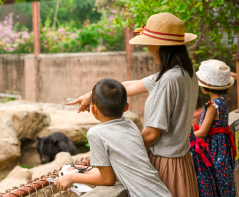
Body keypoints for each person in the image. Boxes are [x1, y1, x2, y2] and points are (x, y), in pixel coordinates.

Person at [66, 12, 200, 196]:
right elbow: (131, 85)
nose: (147, 47)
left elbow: (152, 134)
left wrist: (119, 159)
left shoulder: (169, 80)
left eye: (148, 43)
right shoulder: (185, 72)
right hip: (182, 161)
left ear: (159, 45)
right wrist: (92, 94)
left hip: (166, 163)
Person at [55, 78, 172, 197]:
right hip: (161, 191)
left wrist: (71, 177)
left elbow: (108, 179)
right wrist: (85, 170)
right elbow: (123, 168)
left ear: (93, 109)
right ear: (126, 107)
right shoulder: (131, 125)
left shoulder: (95, 133)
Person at [193, 59, 236, 196]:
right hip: (223, 145)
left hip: (214, 147)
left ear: (206, 86)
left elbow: (203, 132)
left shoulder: (213, 105)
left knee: (215, 176)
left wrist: (187, 136)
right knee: (224, 175)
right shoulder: (222, 102)